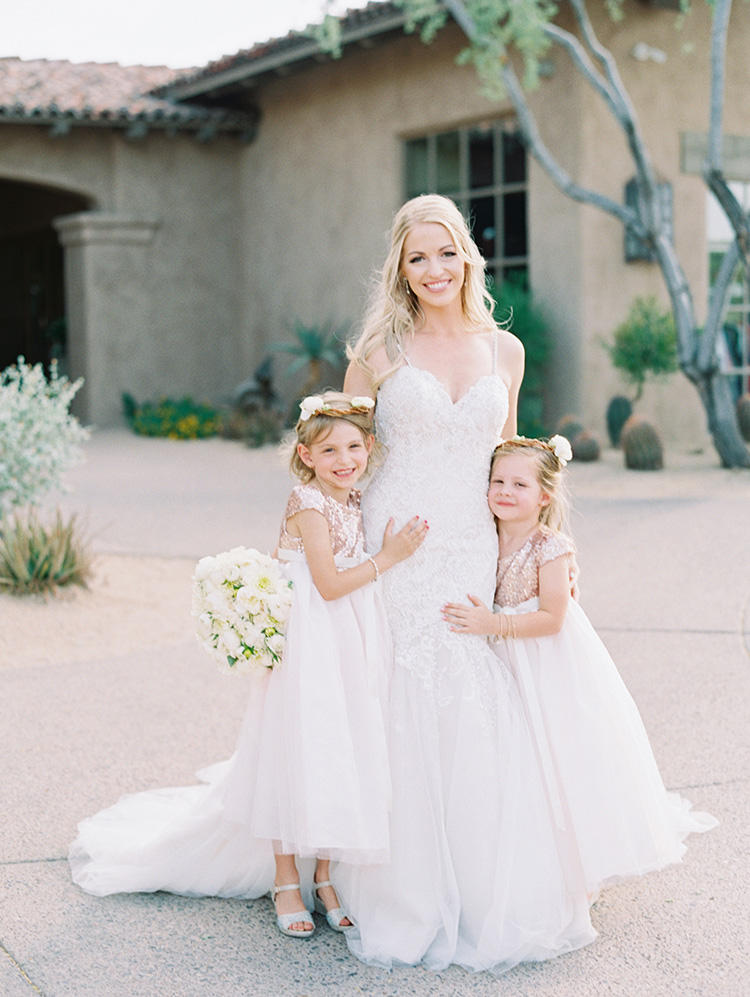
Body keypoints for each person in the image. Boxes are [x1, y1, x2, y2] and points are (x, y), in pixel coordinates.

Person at [338, 194, 596, 972]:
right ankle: (391, 875)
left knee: (473, 683)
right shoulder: (378, 349)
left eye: (446, 252)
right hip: (396, 543)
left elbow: (510, 463)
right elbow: (340, 454)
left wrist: (542, 548)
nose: (435, 269)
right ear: (400, 267)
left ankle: (487, 877)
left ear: (468, 257)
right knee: (396, 684)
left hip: (469, 544)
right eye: (418, 257)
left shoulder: (502, 351)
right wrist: (316, 546)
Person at [69, 392, 427, 939]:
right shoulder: (308, 503)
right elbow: (329, 585)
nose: (344, 459)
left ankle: (326, 876)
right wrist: (390, 557)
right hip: (311, 644)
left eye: (354, 447)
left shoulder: (355, 497)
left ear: (370, 447)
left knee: (343, 746)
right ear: (306, 455)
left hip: (349, 640)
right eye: (329, 450)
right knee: (295, 748)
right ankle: (287, 880)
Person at [442, 436, 718, 895]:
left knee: (561, 757)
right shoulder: (481, 533)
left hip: (547, 662)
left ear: (544, 496)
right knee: (518, 760)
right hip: (503, 658)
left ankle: (581, 862)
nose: (506, 491)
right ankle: (531, 858)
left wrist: (492, 623)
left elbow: (553, 618)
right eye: (498, 481)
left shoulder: (551, 547)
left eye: (520, 484)